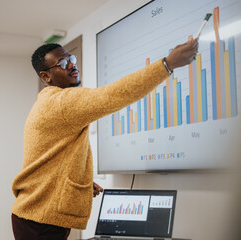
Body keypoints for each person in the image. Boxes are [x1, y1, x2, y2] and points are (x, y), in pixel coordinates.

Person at [11, 37, 198, 240]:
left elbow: (49, 156)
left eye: (71, 58)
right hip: (40, 222)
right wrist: (166, 65)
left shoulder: (49, 102)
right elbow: (116, 94)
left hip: (36, 214)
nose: (72, 65)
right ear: (46, 77)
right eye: (63, 64)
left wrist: (76, 182)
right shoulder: (62, 102)